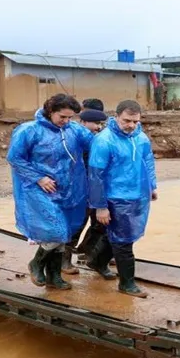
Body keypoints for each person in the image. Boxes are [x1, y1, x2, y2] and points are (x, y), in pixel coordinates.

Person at [7, 94, 89, 289]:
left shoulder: (73, 130)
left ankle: (54, 276)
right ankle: (37, 263)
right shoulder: (29, 131)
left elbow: (97, 143)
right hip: (39, 189)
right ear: (50, 111)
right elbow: (15, 158)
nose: (66, 121)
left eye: (70, 117)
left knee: (64, 234)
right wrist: (39, 178)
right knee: (56, 231)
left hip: (67, 189)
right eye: (62, 117)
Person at [88, 99, 158, 298]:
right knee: (124, 242)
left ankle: (97, 261)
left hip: (137, 195)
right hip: (116, 197)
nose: (131, 125)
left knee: (122, 236)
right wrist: (100, 206)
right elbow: (95, 175)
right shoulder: (104, 140)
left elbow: (148, 162)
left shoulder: (141, 138)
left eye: (135, 121)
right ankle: (127, 283)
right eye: (127, 120)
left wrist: (151, 185)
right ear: (116, 116)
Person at [64, 99, 109, 273]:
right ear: (82, 122)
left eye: (101, 124)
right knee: (76, 225)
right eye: (95, 123)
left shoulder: (100, 140)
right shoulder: (74, 140)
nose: (98, 127)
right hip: (78, 191)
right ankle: (64, 260)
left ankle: (90, 254)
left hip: (97, 191)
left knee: (100, 225)